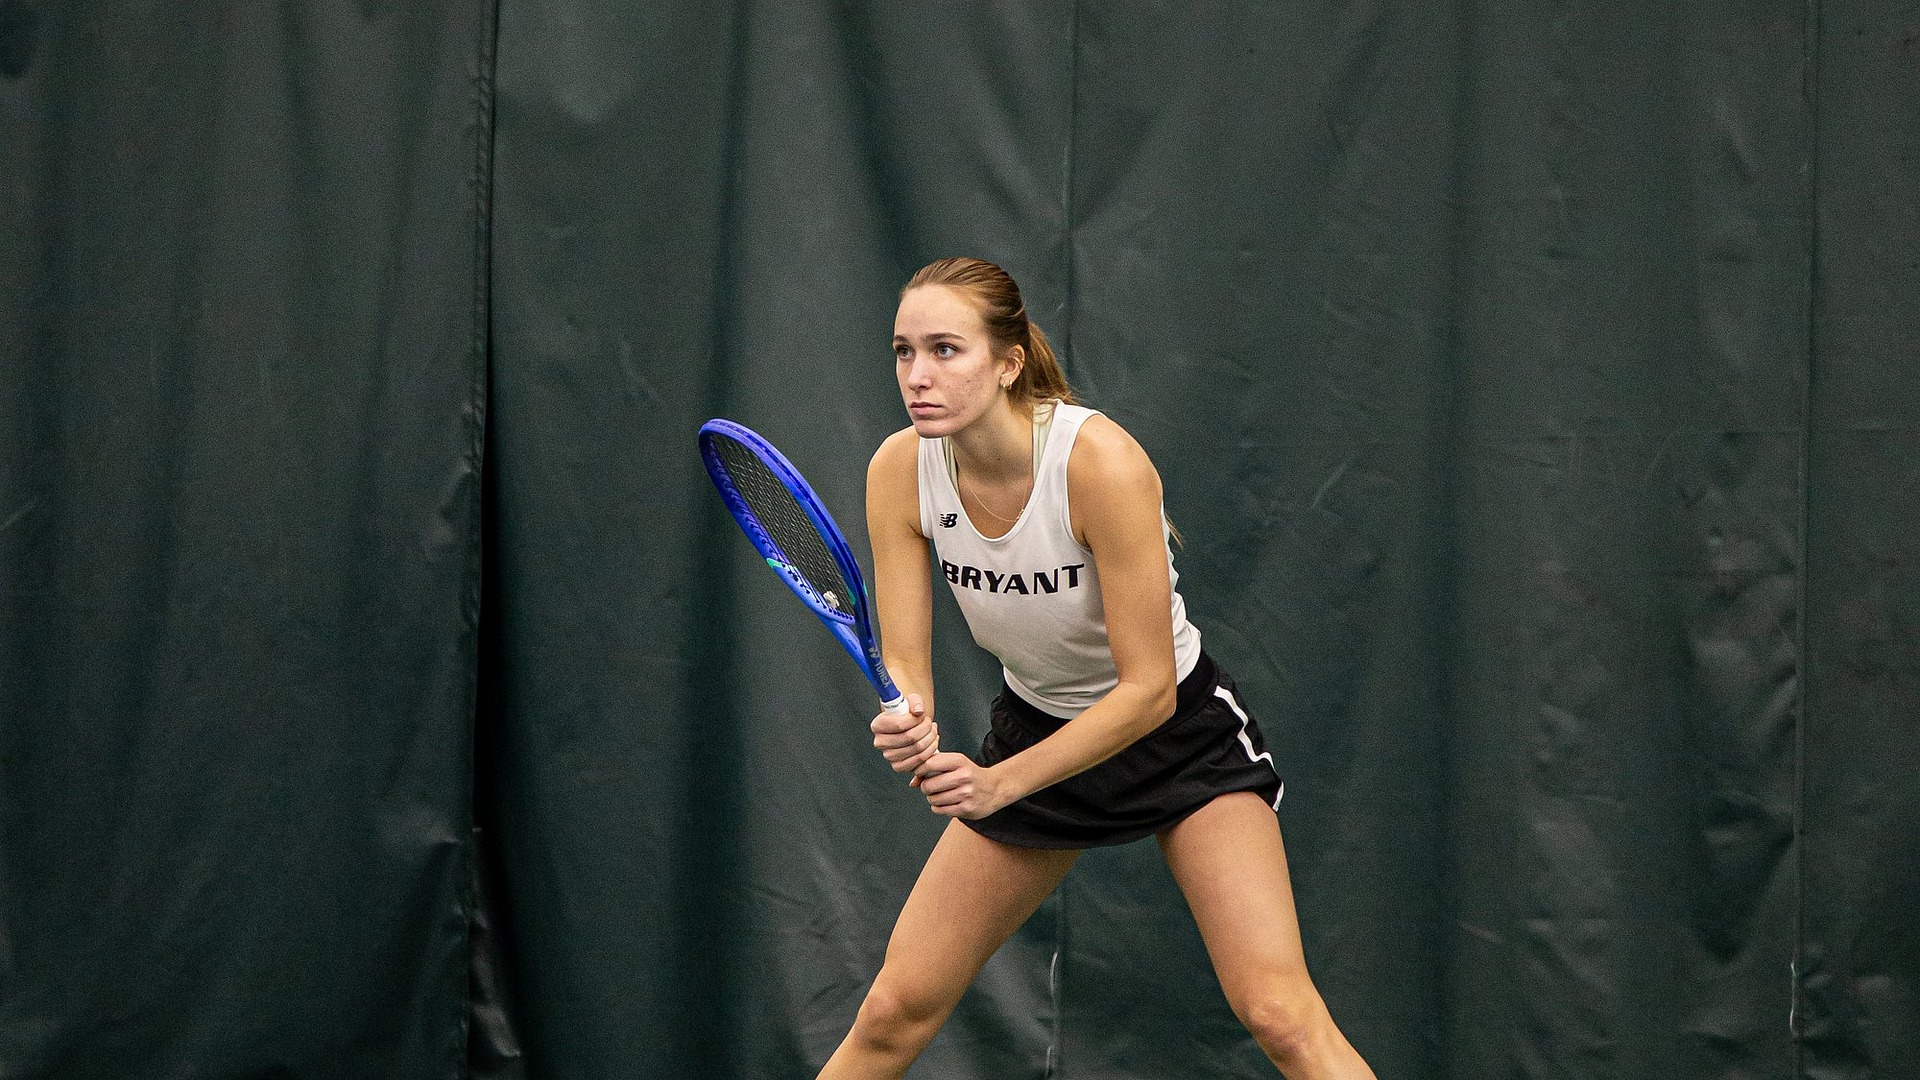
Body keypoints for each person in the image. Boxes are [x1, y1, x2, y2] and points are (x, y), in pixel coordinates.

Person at [817, 257, 1376, 1080]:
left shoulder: (1100, 464)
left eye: (945, 350)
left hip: (1177, 737)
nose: (917, 376)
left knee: (1281, 1015)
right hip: (1035, 726)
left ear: (1008, 363)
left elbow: (1147, 691)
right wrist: (909, 709)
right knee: (894, 1010)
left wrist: (1002, 784)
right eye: (903, 352)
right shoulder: (900, 469)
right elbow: (906, 654)